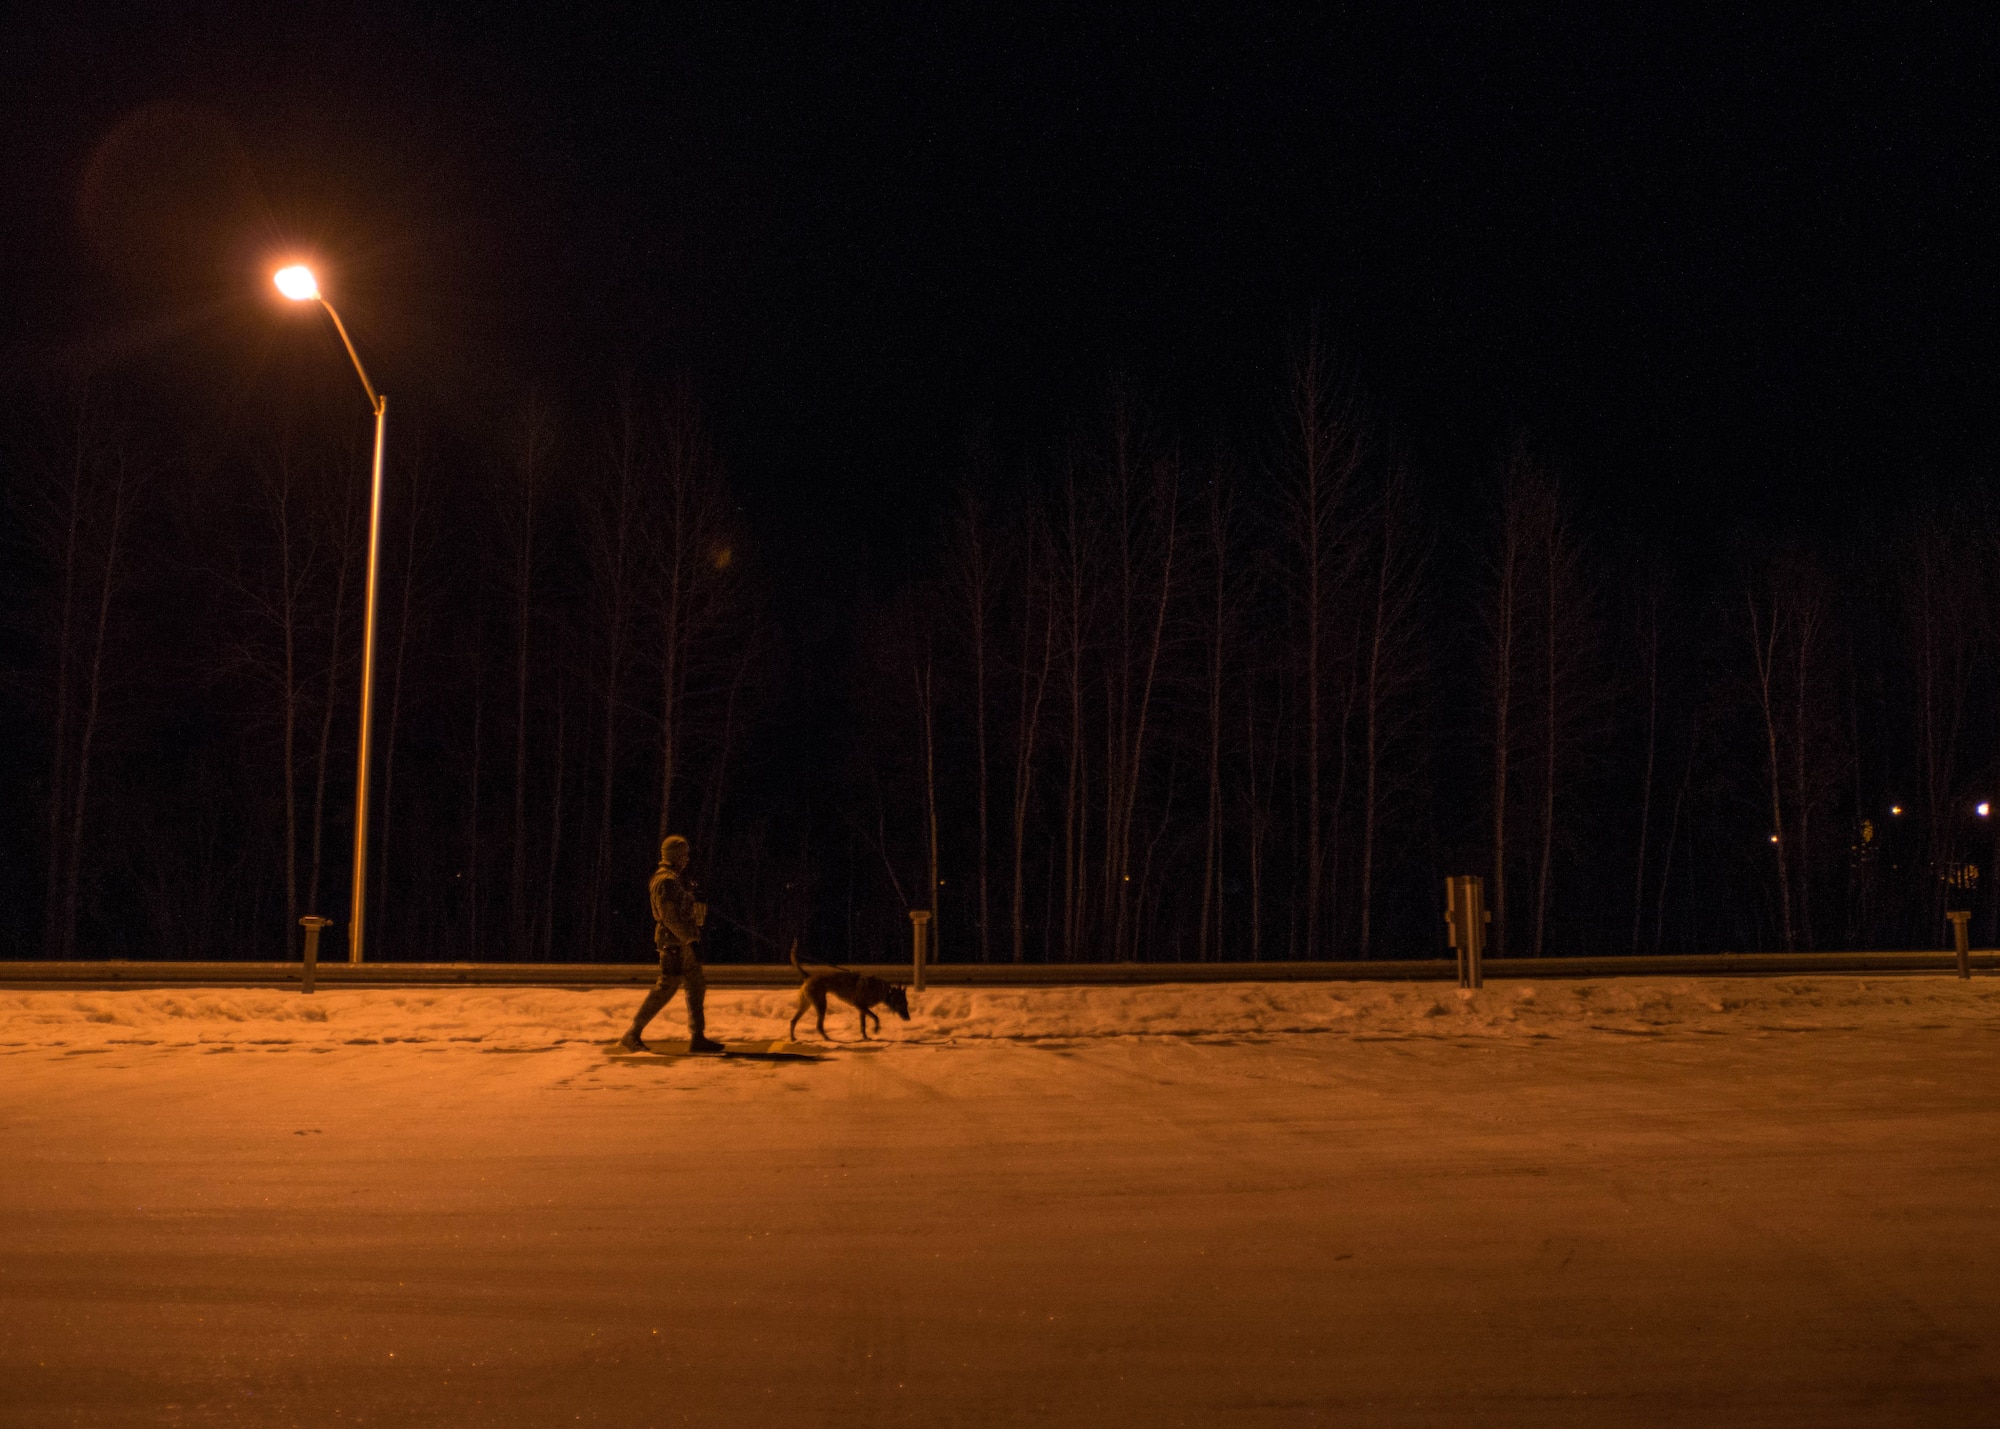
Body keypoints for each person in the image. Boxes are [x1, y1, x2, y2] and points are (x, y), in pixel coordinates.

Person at [617, 835, 724, 1053]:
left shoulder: (675, 879)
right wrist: (690, 940)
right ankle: (632, 1033)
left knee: (696, 986)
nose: (687, 859)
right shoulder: (665, 881)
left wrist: (697, 901)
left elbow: (685, 912)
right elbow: (669, 917)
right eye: (684, 854)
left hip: (683, 944)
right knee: (665, 988)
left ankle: (698, 1037)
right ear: (674, 855)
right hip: (673, 944)